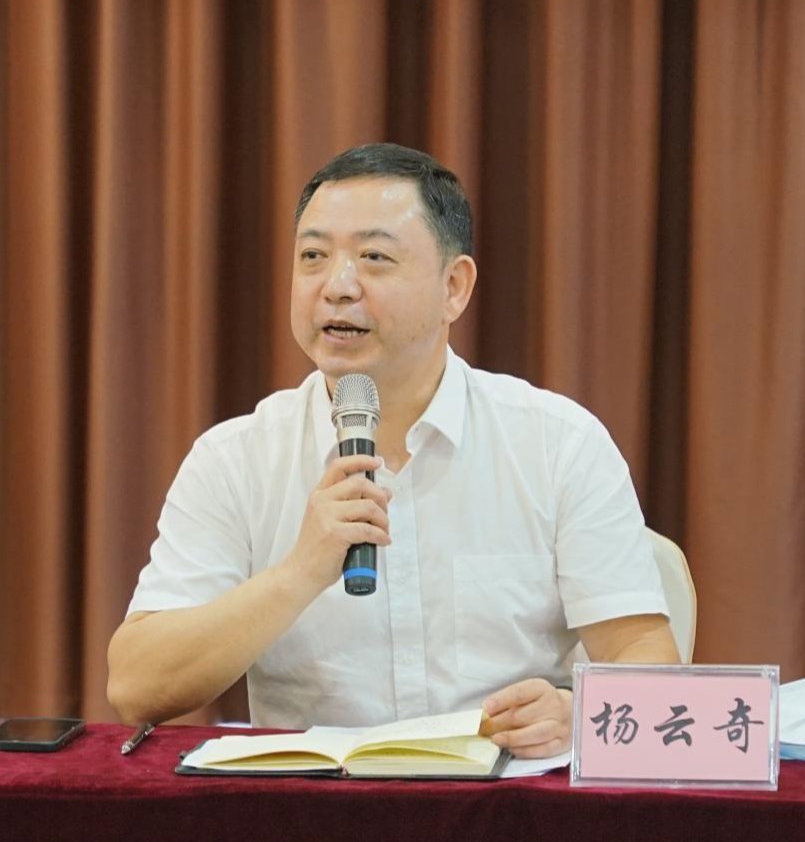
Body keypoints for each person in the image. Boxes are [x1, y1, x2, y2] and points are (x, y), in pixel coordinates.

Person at [107, 142, 679, 759]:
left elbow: (646, 660)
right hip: (312, 803)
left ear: (454, 287)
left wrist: (580, 716)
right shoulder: (234, 459)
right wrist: (300, 572)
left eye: (374, 258)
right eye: (313, 257)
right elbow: (137, 687)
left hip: (504, 798)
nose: (337, 287)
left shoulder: (557, 444)